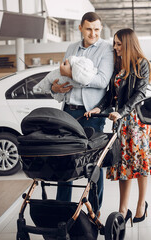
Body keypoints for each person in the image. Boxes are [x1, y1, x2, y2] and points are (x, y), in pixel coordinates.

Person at [84, 28, 151, 226]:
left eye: (118, 44)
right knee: (123, 166)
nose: (115, 47)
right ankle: (123, 209)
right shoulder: (118, 66)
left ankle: (142, 204)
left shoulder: (142, 64)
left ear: (128, 44)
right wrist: (99, 108)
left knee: (140, 165)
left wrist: (122, 112)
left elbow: (139, 94)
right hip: (121, 123)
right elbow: (110, 95)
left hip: (137, 123)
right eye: (114, 43)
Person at [50, 12, 114, 215]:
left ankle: (95, 211)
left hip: (91, 115)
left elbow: (102, 81)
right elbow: (62, 76)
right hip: (68, 111)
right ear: (80, 28)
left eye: (96, 29)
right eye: (88, 29)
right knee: (65, 161)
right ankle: (62, 209)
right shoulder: (71, 48)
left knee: (93, 164)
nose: (93, 33)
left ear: (100, 29)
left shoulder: (106, 49)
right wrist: (56, 88)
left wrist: (72, 74)